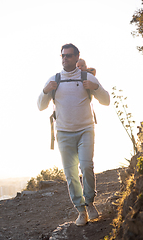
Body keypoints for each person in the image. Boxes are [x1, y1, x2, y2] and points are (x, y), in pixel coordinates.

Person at [37, 43, 110, 226]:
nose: (65, 58)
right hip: (63, 133)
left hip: (85, 129)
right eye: (63, 55)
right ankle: (81, 210)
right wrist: (45, 91)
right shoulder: (54, 80)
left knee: (86, 166)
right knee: (70, 174)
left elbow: (106, 100)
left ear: (77, 57)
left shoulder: (87, 77)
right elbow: (40, 106)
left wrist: (95, 87)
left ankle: (90, 204)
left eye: (69, 55)